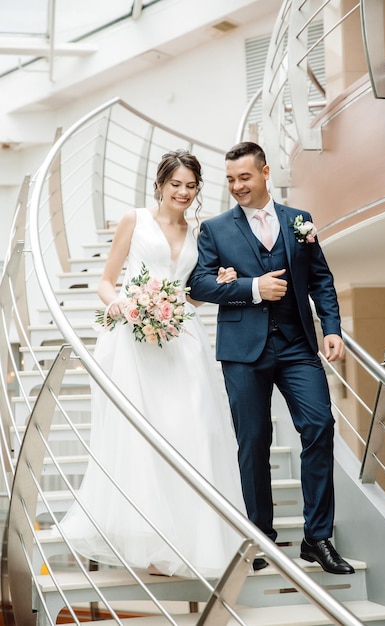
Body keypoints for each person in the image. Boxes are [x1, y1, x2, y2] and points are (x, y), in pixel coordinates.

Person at [58, 149, 246, 578]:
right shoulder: (134, 220)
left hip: (183, 337)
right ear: (160, 183)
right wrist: (123, 305)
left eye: (191, 185)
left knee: (191, 431)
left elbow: (192, 294)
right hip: (136, 340)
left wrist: (216, 284)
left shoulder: (201, 233)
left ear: (198, 189)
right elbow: (106, 282)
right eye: (175, 184)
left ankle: (191, 541)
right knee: (144, 437)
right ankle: (152, 541)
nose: (183, 192)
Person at [188, 141, 355, 575]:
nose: (237, 186)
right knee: (254, 441)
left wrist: (332, 329)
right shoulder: (215, 228)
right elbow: (199, 286)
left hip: (298, 345)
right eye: (229, 180)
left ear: (264, 172)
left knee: (320, 425)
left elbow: (321, 278)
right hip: (243, 352)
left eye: (244, 177)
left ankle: (317, 537)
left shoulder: (300, 222)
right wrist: (251, 288)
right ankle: (259, 537)